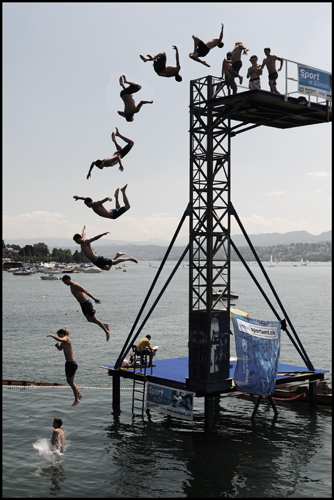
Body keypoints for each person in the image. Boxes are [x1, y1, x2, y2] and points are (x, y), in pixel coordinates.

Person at [61, 276, 111, 341]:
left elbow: (85, 291)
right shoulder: (71, 286)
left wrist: (94, 299)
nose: (65, 284)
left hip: (86, 303)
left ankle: (107, 332)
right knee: (89, 320)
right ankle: (105, 325)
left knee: (94, 319)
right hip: (82, 304)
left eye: (65, 282)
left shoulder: (75, 285)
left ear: (68, 279)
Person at [72, 225, 138, 271]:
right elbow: (83, 233)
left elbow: (94, 238)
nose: (76, 242)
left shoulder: (86, 242)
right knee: (108, 268)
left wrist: (102, 234)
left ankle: (129, 258)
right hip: (95, 262)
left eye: (76, 240)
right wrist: (84, 229)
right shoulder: (82, 240)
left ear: (79, 238)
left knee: (114, 263)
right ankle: (117, 255)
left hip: (98, 259)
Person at [47, 329, 83, 405]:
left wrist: (51, 335)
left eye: (59, 334)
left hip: (71, 363)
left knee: (70, 381)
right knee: (70, 381)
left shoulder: (67, 338)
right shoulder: (63, 342)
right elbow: (60, 348)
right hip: (68, 363)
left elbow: (60, 339)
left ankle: (77, 399)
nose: (58, 336)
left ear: (63, 334)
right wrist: (57, 347)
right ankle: (79, 394)